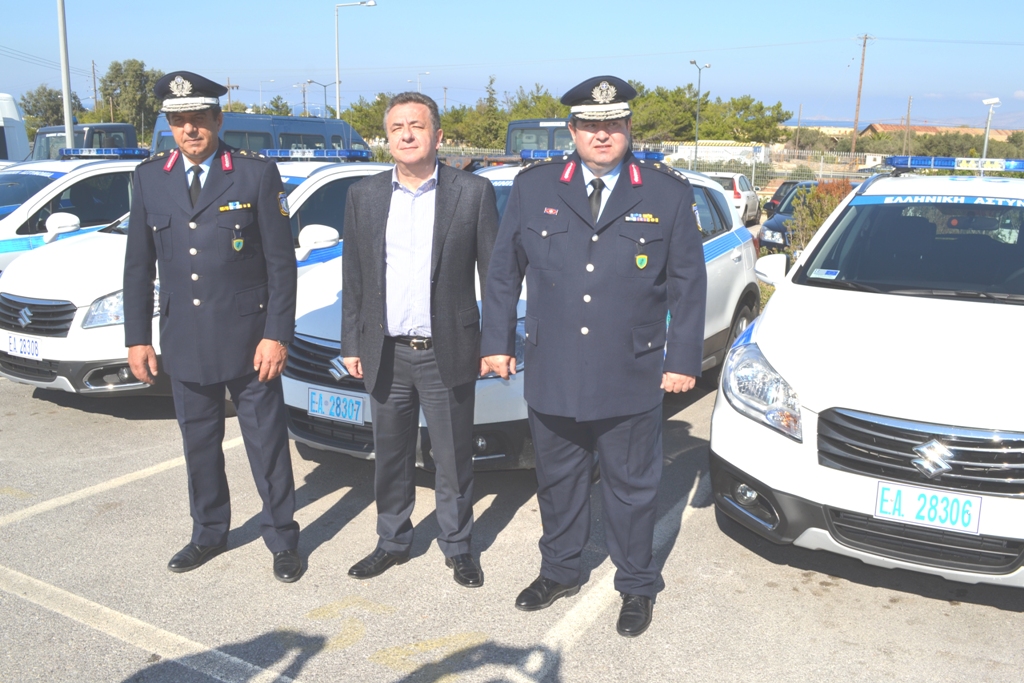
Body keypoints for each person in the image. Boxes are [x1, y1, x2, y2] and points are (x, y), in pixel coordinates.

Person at [481, 76, 707, 636]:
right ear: (572, 130)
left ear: (628, 127)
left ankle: (637, 584)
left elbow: (688, 283)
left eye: (612, 124)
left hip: (630, 371)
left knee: (632, 489)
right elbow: (504, 271)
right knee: (558, 482)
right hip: (554, 367)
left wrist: (682, 360)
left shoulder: (666, 194)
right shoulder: (534, 187)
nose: (601, 135)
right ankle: (560, 570)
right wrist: (496, 343)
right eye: (589, 125)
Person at [123, 71, 302, 583]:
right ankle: (208, 532)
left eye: (198, 118)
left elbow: (281, 265)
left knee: (267, 445)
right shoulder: (149, 177)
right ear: (169, 126)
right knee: (198, 445)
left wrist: (277, 335)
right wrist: (137, 338)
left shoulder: (253, 174)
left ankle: (282, 537)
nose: (189, 129)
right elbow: (138, 266)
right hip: (185, 337)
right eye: (178, 121)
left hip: (250, 341)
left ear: (218, 120)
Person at [340, 92, 499, 587]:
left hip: (446, 350)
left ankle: (458, 545)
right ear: (386, 138)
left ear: (438, 135)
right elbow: (355, 277)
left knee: (452, 458)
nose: (406, 135)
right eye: (396, 128)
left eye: (417, 126)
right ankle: (392, 541)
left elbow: (494, 276)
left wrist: (495, 342)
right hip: (385, 352)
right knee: (389, 457)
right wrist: (351, 344)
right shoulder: (364, 195)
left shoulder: (472, 193)